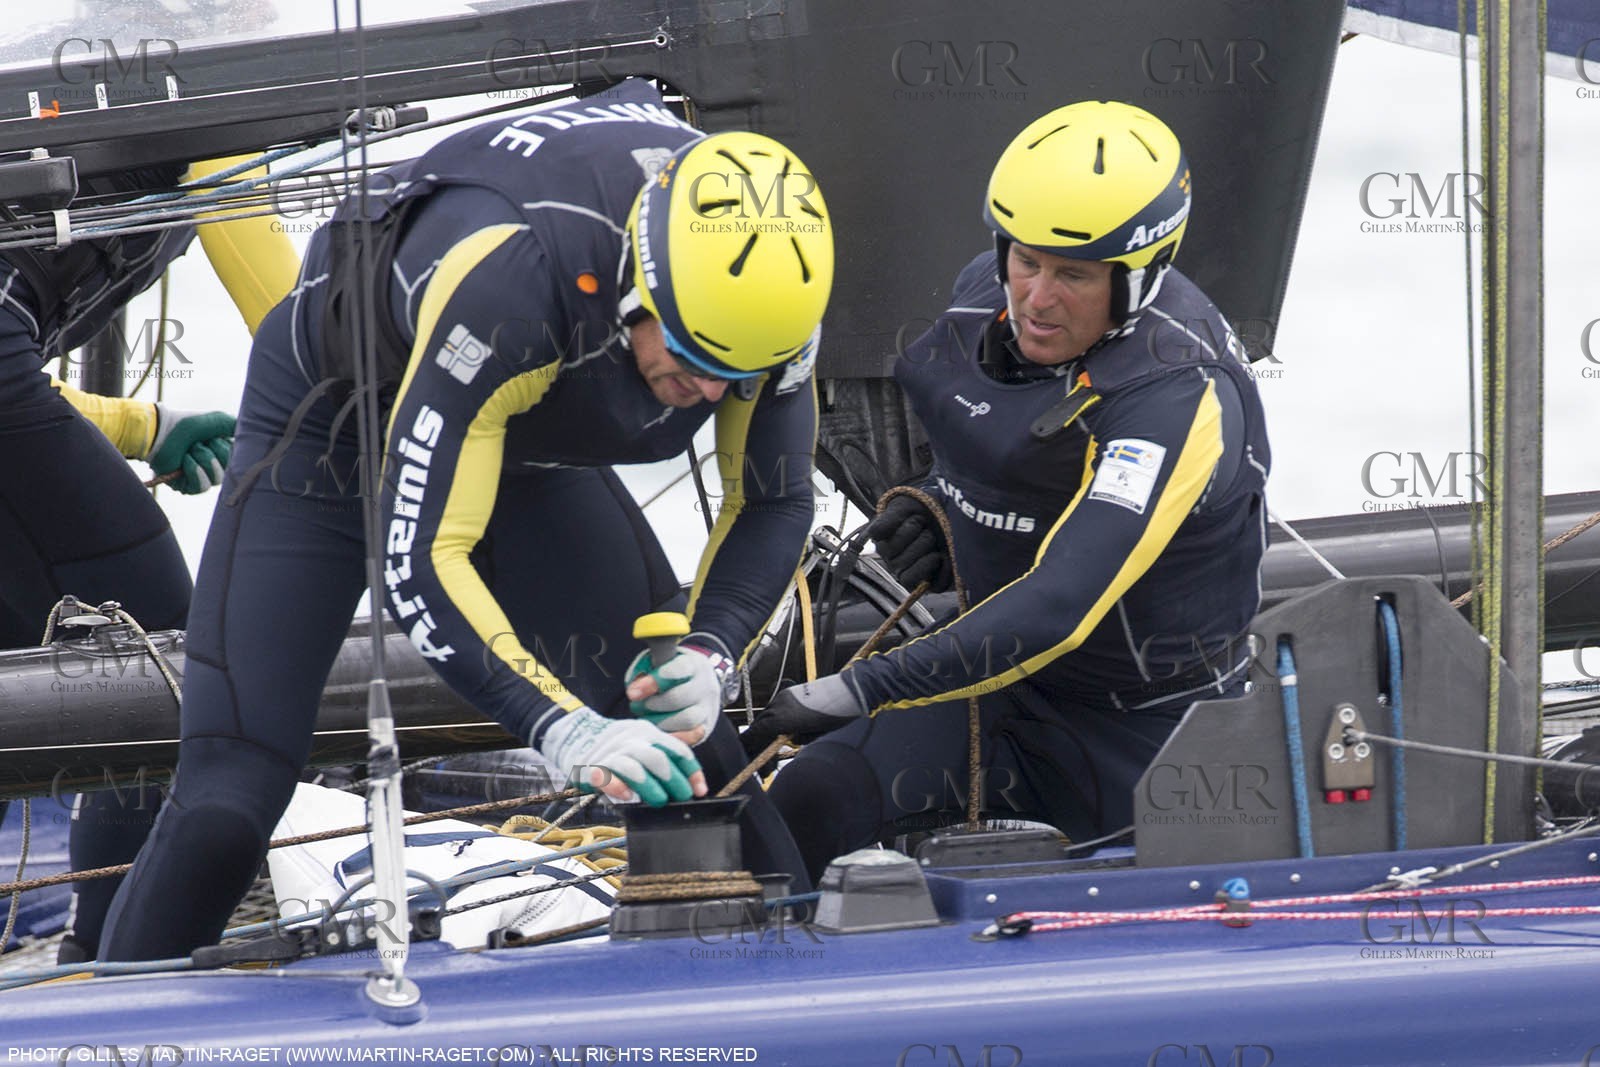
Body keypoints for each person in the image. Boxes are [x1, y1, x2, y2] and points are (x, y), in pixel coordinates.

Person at [99, 78, 832, 961]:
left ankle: (798, 989)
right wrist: (560, 727)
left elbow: (777, 495)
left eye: (737, 376)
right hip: (332, 430)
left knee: (691, 750)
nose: (708, 392)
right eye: (684, 356)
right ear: (635, 286)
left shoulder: (773, 299)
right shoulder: (511, 279)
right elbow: (421, 557)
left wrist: (714, 654)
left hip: (520, 441)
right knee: (228, 801)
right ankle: (98, 1012)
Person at [743, 100, 1272, 880]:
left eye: (1075, 275)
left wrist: (861, 685)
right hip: (1005, 697)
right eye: (1024, 260)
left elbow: (1060, 604)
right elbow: (1000, 447)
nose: (1035, 297)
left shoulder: (1178, 396)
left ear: (1144, 273)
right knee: (810, 799)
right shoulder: (992, 301)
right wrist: (935, 503)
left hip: (1152, 731)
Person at [0, 162, 242, 961]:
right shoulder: (233, 101)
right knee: (160, 665)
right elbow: (318, 319)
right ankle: (118, 972)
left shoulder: (87, 103)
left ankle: (93, 968)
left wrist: (150, 422)